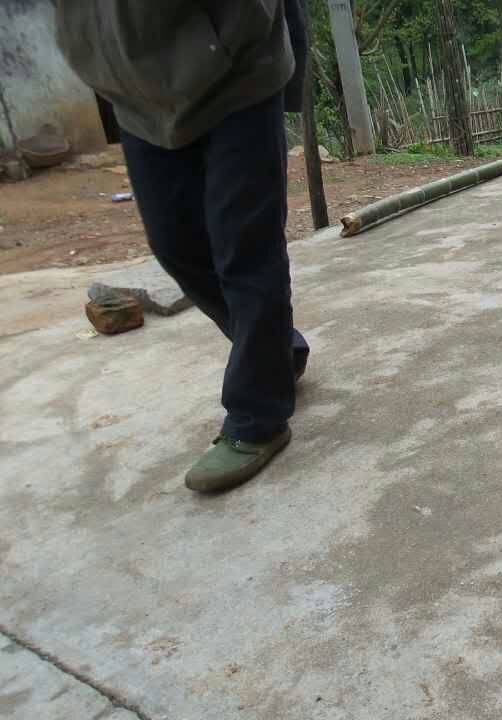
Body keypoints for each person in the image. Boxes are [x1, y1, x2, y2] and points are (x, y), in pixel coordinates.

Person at [55, 1, 312, 493]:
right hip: (138, 93)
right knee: (174, 242)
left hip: (238, 69)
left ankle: (257, 419)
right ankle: (277, 351)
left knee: (244, 246)